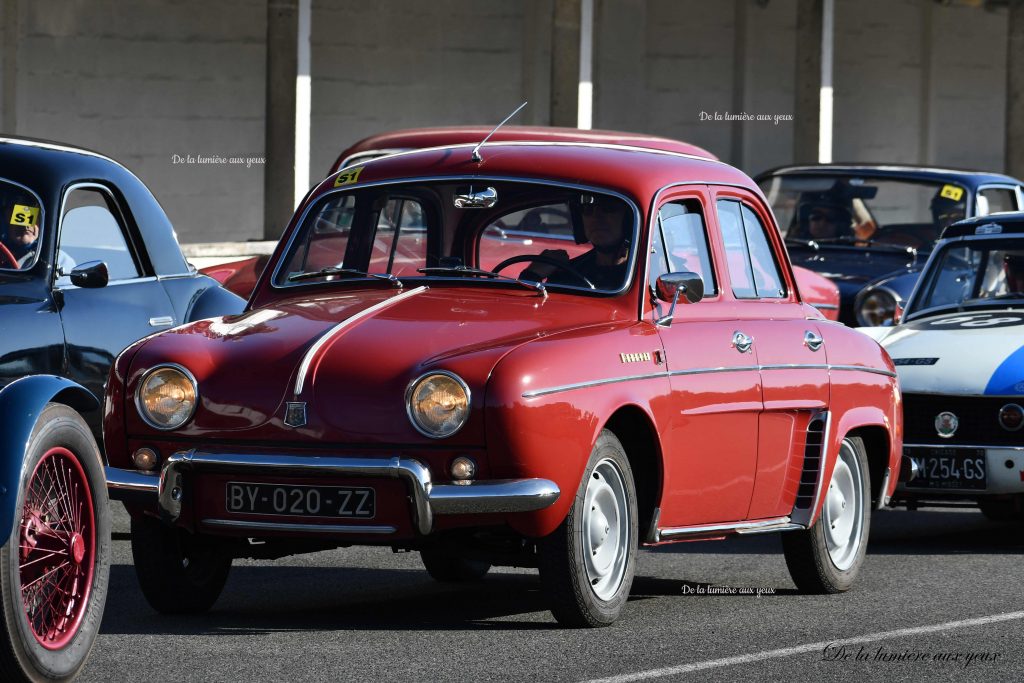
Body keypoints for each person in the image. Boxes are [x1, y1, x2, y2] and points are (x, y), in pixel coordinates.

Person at [520, 195, 630, 290]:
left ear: (628, 219)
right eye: (587, 209)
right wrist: (532, 275)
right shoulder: (567, 273)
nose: (596, 217)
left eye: (608, 208)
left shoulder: (641, 275)